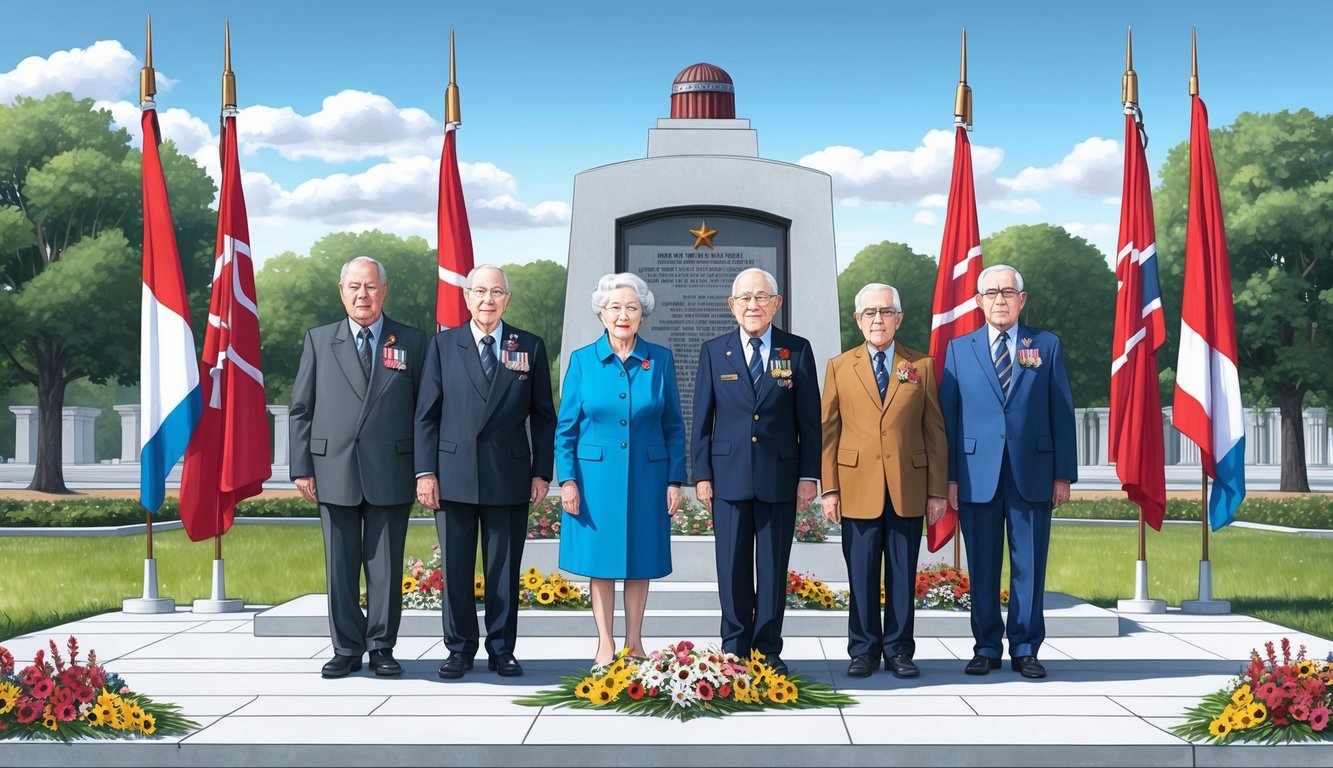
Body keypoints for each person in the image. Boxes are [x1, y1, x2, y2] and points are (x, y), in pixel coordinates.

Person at [414, 264, 556, 680]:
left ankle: (501, 648)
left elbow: (543, 416)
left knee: (503, 570)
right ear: (467, 297)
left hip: (508, 473)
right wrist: (426, 472)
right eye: (480, 291)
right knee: (456, 569)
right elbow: (426, 415)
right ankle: (459, 649)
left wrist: (541, 472)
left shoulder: (527, 345)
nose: (488, 300)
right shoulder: (443, 346)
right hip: (453, 473)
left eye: (496, 292)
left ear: (507, 300)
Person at [289, 256, 426, 679]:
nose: (362, 295)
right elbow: (301, 409)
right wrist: (301, 467)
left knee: (385, 566)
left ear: (384, 291)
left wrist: (425, 470)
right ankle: (347, 647)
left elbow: (425, 412)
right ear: (341, 291)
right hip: (333, 467)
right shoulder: (319, 340)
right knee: (341, 565)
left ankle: (382, 646)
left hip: (392, 467)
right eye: (354, 286)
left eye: (370, 286)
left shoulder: (413, 341)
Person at [940, 264, 1077, 680]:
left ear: (1022, 299)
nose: (1000, 299)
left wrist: (1063, 475)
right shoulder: (959, 350)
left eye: (1008, 291)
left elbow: (1062, 410)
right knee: (981, 566)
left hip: (1032, 472)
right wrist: (947, 478)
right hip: (975, 473)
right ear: (978, 302)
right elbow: (949, 416)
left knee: (1029, 567)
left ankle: (1025, 647)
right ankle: (985, 646)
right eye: (991, 292)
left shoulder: (1046, 346)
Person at [690, 267, 820, 676]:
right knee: (730, 567)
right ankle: (734, 646)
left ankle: (767, 648)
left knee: (772, 567)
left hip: (780, 477)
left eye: (761, 297)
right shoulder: (715, 351)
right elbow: (702, 418)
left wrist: (808, 475)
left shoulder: (796, 350)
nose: (753, 305)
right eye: (744, 297)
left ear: (776, 303)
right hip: (727, 476)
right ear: (732, 305)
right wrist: (701, 474)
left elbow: (810, 421)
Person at [555, 272, 686, 667]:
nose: (623, 315)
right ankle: (605, 643)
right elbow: (566, 429)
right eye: (615, 307)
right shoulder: (582, 360)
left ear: (642, 314)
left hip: (648, 477)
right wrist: (567, 480)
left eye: (631, 307)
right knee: (602, 562)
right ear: (602, 314)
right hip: (595, 480)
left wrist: (674, 479)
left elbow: (674, 425)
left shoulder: (659, 359)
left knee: (639, 558)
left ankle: (635, 642)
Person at [820, 283, 948, 679]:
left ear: (899, 318)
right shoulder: (840, 366)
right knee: (860, 574)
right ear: (857, 320)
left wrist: (937, 489)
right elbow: (829, 432)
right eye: (870, 313)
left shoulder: (920, 365)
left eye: (886, 311)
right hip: (856, 486)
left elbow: (935, 430)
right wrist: (830, 488)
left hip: (907, 487)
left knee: (901, 573)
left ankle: (899, 650)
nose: (878, 319)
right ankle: (862, 650)